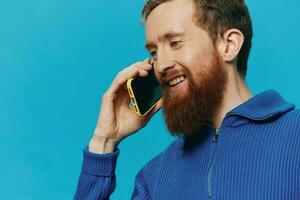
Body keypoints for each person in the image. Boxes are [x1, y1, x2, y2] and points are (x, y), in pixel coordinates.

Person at [74, 0, 300, 199]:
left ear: (228, 45)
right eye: (154, 52)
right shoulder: (153, 178)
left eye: (174, 43)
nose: (160, 65)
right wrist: (103, 142)